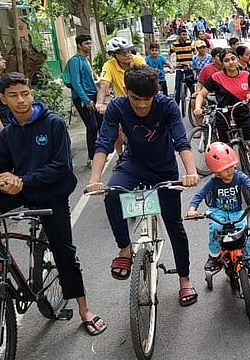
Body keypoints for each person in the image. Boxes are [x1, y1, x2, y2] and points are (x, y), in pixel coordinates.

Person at [0, 72, 106, 335]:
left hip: (52, 192)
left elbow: (61, 167)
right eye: (13, 95)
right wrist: (2, 181)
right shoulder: (7, 133)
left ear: (31, 94)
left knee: (64, 252)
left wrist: (22, 179)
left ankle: (84, 309)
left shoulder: (53, 124)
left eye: (25, 94)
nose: (21, 100)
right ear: (3, 99)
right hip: (21, 189)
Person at [86, 65, 200, 307]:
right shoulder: (117, 107)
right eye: (135, 99)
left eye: (146, 99)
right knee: (112, 195)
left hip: (164, 168)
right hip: (133, 164)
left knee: (174, 225)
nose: (140, 105)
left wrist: (191, 172)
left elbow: (180, 139)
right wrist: (94, 180)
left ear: (156, 92)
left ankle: (184, 280)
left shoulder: (166, 105)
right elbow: (104, 142)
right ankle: (125, 249)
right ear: (126, 91)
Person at [187, 142, 250, 277]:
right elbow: (199, 195)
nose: (230, 170)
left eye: (231, 166)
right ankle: (214, 256)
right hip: (219, 211)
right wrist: (192, 209)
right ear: (216, 172)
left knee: (246, 236)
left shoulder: (239, 176)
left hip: (237, 212)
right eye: (225, 169)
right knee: (215, 228)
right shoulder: (213, 182)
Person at [193, 48, 250, 144]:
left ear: (237, 59)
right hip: (223, 116)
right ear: (222, 63)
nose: (230, 62)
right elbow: (201, 95)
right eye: (226, 60)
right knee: (226, 149)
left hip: (243, 115)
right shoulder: (215, 78)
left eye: (233, 59)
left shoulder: (246, 75)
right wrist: (197, 108)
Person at [97, 37, 145, 157]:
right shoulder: (109, 65)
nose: (128, 55)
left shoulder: (138, 60)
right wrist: (100, 103)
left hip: (140, 100)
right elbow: (104, 86)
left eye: (129, 51)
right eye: (123, 53)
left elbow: (147, 79)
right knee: (117, 128)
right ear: (114, 55)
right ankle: (120, 156)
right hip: (122, 103)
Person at [64, 35, 100, 168]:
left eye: (90, 43)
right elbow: (76, 83)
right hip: (83, 98)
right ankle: (91, 158)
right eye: (86, 43)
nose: (89, 46)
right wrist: (86, 100)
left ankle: (96, 155)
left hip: (92, 95)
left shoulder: (85, 60)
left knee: (97, 125)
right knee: (92, 126)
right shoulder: (75, 61)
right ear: (79, 45)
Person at [169, 28, 195, 106]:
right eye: (183, 35)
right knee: (177, 88)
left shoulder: (189, 43)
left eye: (185, 34)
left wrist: (194, 62)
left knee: (192, 88)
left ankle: (194, 104)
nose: (185, 36)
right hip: (180, 68)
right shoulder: (175, 44)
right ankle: (176, 106)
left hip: (189, 68)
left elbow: (195, 52)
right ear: (179, 35)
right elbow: (169, 54)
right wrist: (171, 65)